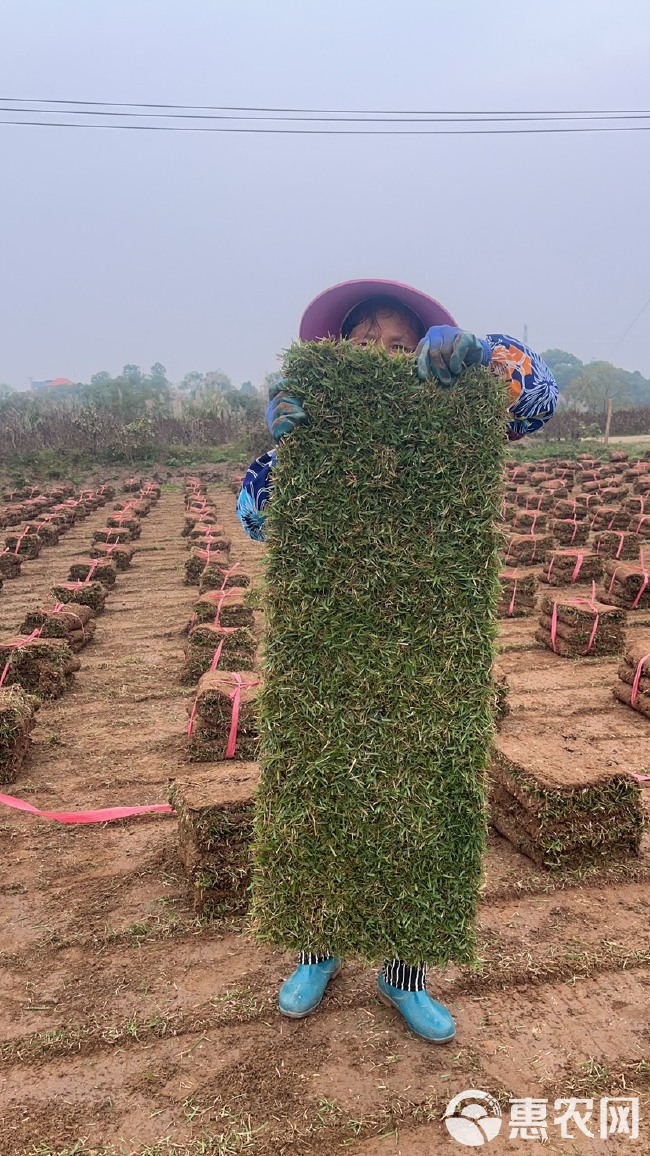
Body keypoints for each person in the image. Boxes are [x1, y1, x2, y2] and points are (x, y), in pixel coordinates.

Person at [237, 278, 558, 1042]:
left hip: (431, 646)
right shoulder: (311, 434)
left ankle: (404, 972)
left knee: (425, 802)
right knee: (324, 793)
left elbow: (539, 399)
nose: (381, 357)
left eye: (400, 346)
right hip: (330, 649)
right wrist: (286, 449)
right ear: (337, 353)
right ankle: (318, 949)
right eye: (365, 343)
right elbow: (256, 520)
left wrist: (484, 356)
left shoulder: (453, 418)